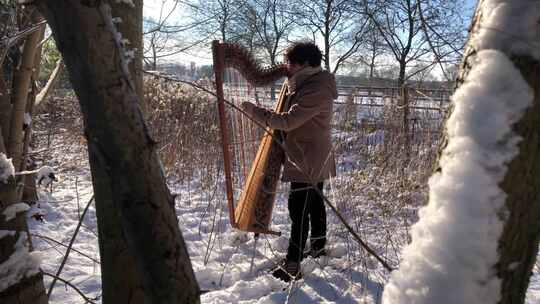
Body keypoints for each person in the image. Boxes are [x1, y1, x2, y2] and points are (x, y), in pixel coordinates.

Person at [241, 41, 337, 282]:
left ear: (305, 64)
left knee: (299, 209)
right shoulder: (308, 83)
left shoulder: (316, 89)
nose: (287, 68)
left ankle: (293, 265)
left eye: (291, 63)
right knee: (314, 203)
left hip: (308, 158)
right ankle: (317, 247)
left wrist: (254, 111)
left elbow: (288, 122)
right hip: (310, 154)